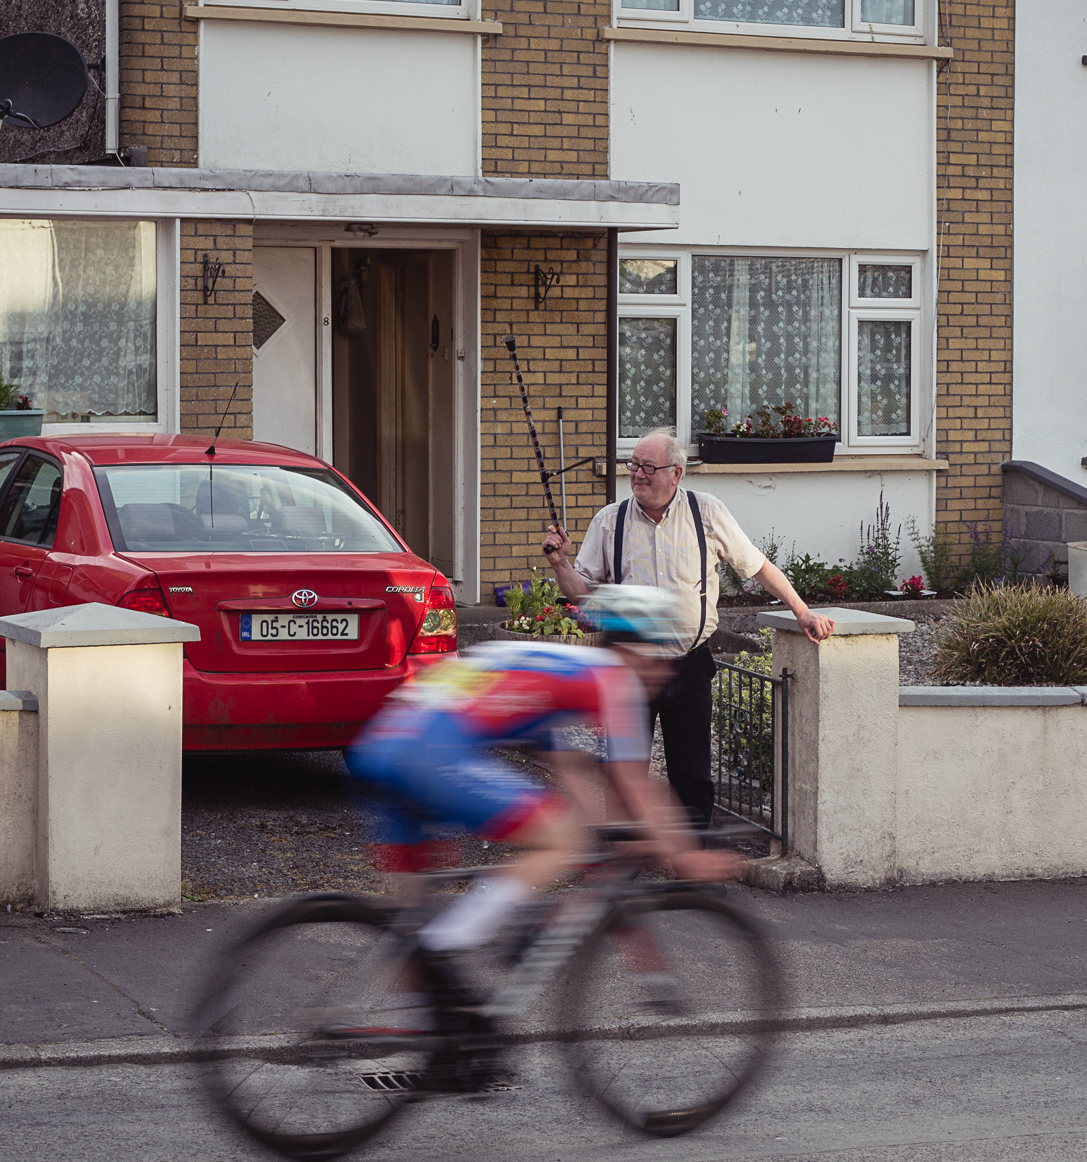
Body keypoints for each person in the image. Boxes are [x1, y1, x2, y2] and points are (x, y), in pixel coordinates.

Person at [345, 584, 741, 1082]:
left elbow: (572, 769)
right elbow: (633, 787)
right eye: (661, 658)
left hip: (384, 744)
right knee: (560, 842)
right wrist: (687, 857)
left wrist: (617, 836)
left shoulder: (558, 667)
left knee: (412, 917)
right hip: (431, 750)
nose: (665, 672)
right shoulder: (611, 678)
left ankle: (442, 1050)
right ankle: (443, 945)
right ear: (637, 651)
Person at [541, 427, 835, 831]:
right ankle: (626, 863)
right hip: (630, 668)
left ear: (676, 473)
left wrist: (802, 610)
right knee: (625, 770)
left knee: (692, 773)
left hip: (690, 663)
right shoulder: (610, 521)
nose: (638, 474)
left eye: (648, 467)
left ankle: (691, 862)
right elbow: (584, 594)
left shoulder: (707, 512)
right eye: (633, 466)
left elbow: (757, 566)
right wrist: (560, 563)